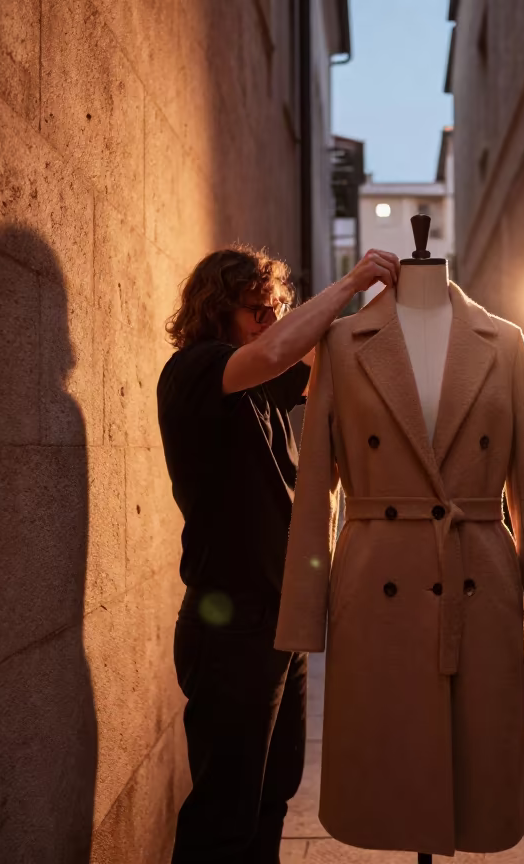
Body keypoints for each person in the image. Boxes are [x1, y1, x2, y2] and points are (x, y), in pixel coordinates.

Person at [157, 243, 400, 863]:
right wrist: (352, 281)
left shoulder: (259, 384)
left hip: (278, 619)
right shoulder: (195, 371)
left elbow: (322, 358)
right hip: (230, 624)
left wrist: (387, 307)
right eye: (257, 310)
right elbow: (273, 350)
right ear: (217, 309)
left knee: (272, 794)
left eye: (277, 309)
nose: (270, 322)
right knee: (225, 811)